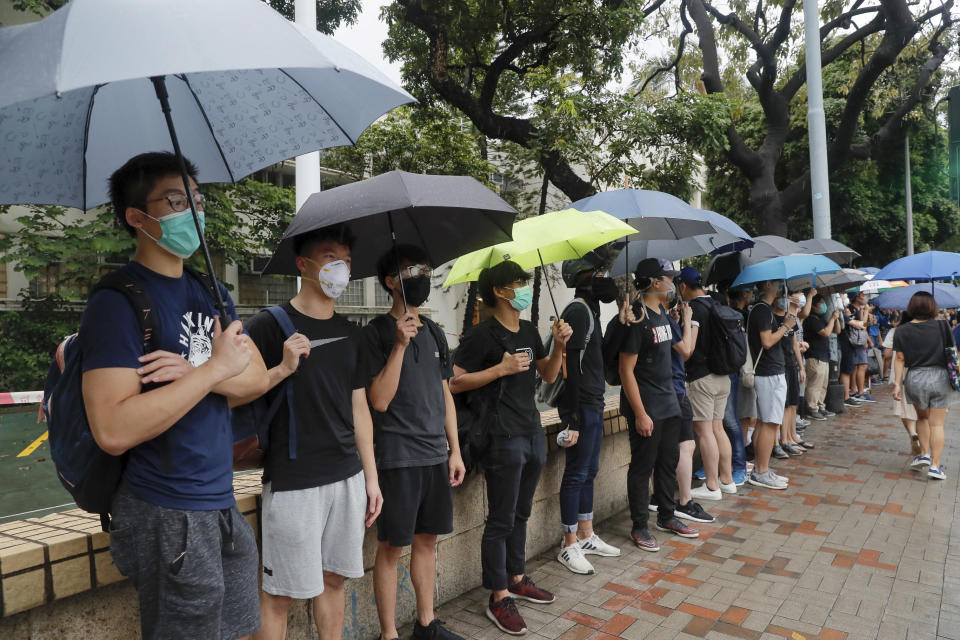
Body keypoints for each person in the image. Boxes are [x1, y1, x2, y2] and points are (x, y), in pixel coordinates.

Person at [82, 152, 270, 639]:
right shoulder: (117, 302)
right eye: (176, 200)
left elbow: (256, 379)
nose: (195, 211)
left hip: (219, 499)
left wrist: (199, 373)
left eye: (197, 199)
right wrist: (211, 373)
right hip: (166, 507)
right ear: (137, 218)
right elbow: (113, 430)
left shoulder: (209, 291)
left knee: (238, 630)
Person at [245, 224, 383, 640]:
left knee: (335, 579)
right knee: (279, 595)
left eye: (347, 260)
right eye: (329, 256)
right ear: (302, 264)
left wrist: (371, 478)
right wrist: (281, 368)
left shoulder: (351, 332)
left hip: (346, 475)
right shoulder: (269, 326)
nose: (340, 268)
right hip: (293, 480)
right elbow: (235, 394)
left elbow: (359, 406)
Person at [450, 260, 571, 635]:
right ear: (501, 291)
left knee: (521, 512)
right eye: (518, 282)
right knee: (501, 518)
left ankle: (517, 577)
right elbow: (454, 384)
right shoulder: (480, 335)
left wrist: (560, 347)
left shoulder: (531, 330)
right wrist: (498, 370)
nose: (523, 287)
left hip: (531, 430)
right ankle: (499, 596)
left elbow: (548, 375)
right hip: (500, 436)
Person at [364, 245, 466, 640]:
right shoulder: (376, 334)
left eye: (424, 267)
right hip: (397, 459)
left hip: (433, 456)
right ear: (391, 283)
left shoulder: (437, 332)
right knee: (391, 548)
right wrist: (400, 345)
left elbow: (445, 396)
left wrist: (454, 449)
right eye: (410, 270)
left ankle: (427, 624)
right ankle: (389, 634)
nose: (421, 275)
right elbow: (379, 400)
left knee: (428, 541)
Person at [618, 258, 700, 552]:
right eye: (669, 278)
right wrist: (640, 413)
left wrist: (680, 322)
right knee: (642, 468)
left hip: (669, 402)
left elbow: (683, 352)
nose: (673, 284)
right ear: (655, 282)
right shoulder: (637, 318)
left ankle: (667, 515)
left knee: (668, 462)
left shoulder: (663, 314)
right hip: (647, 406)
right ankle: (640, 527)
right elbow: (626, 371)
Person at [554, 255, 622, 576]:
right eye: (599, 273)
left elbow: (602, 359)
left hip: (595, 401)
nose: (604, 278)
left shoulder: (591, 311)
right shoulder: (578, 312)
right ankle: (569, 543)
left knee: (589, 469)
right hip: (582, 406)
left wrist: (622, 317)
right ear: (584, 277)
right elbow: (569, 367)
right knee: (577, 472)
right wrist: (573, 418)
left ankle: (585, 533)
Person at [675, 267, 734, 501]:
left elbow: (688, 351)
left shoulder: (695, 309)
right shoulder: (717, 303)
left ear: (682, 287)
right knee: (718, 428)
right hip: (723, 376)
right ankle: (727, 480)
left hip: (702, 378)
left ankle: (711, 485)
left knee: (704, 431)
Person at [659, 294, 715, 523]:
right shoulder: (662, 319)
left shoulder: (663, 318)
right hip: (673, 388)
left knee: (681, 445)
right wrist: (691, 322)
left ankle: (674, 498)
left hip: (673, 386)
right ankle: (683, 501)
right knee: (685, 445)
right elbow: (687, 350)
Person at [893, 292, 956, 480]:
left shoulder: (901, 330)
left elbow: (900, 358)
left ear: (911, 307)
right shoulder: (942, 325)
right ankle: (935, 467)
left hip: (915, 377)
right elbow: (952, 352)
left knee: (921, 418)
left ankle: (924, 455)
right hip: (940, 377)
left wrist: (897, 384)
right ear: (932, 307)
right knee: (937, 423)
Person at [745, 280, 796, 490]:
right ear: (767, 285)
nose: (782, 286)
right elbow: (766, 341)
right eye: (777, 282)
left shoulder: (764, 310)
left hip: (770, 372)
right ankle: (761, 471)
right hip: (769, 373)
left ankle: (761, 468)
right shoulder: (762, 311)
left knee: (764, 423)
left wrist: (785, 321)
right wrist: (786, 325)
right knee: (771, 423)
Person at [883, 314, 921, 456]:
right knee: (921, 411)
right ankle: (919, 438)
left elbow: (887, 354)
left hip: (900, 372)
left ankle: (913, 433)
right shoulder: (926, 328)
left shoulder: (896, 331)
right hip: (921, 371)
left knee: (905, 407)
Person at [803, 294, 840, 421]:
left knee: (823, 384)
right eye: (821, 303)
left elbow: (837, 331)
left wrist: (836, 318)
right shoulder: (811, 319)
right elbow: (826, 333)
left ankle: (820, 406)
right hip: (814, 356)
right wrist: (832, 319)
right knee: (815, 384)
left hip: (824, 356)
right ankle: (811, 408)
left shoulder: (821, 318)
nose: (824, 305)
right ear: (813, 306)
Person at [841, 292, 875, 406]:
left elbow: (865, 324)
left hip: (860, 340)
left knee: (859, 365)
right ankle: (856, 391)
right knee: (857, 366)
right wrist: (865, 311)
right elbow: (862, 324)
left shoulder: (856, 309)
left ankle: (857, 391)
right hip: (854, 341)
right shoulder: (850, 309)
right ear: (856, 297)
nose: (864, 297)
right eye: (862, 295)